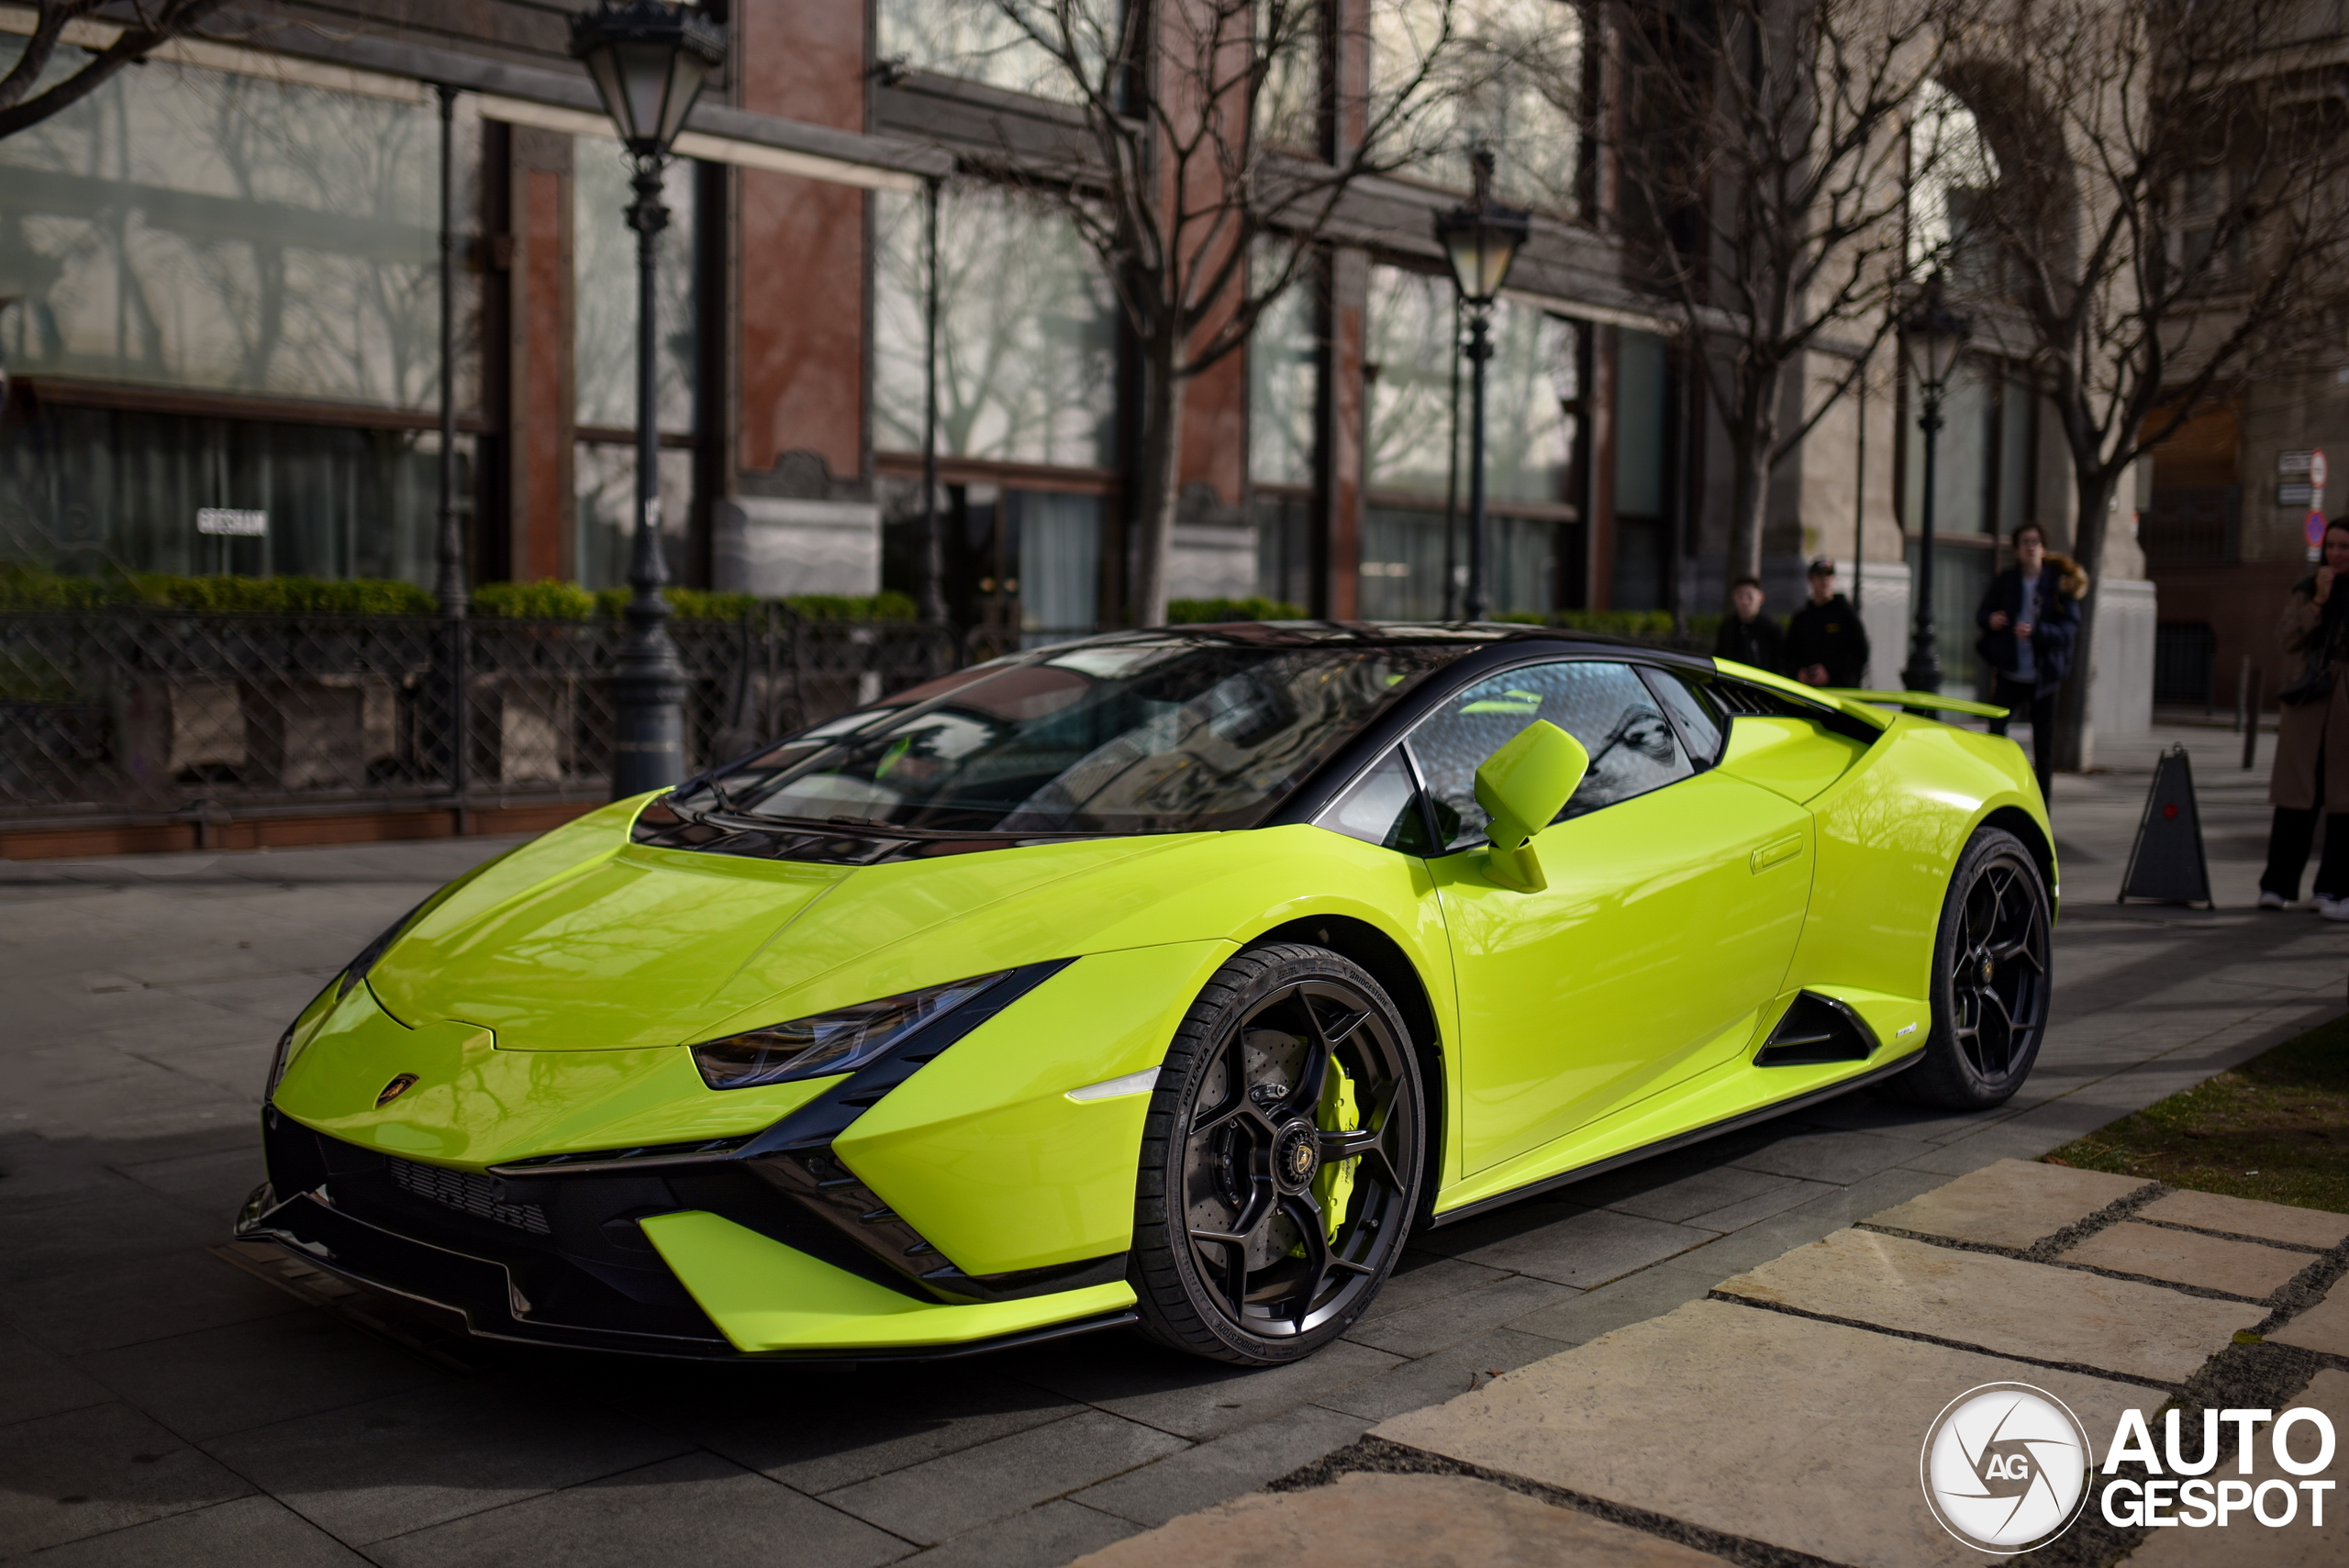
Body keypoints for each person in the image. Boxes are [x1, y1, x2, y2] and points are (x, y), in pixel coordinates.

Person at [2259, 517, 2349, 917]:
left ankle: (2333, 890)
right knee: (2295, 797)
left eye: (2344, 547)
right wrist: (2317, 603)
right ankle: (2277, 885)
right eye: (2331, 546)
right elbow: (2284, 638)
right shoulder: (2307, 590)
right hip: (2308, 702)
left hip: (2345, 707)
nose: (2336, 554)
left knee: (2343, 802)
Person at [1975, 522, 2084, 805]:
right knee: (1996, 738)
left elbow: (2068, 630)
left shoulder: (2059, 584)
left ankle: (2043, 810)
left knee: (2044, 750)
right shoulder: (2007, 580)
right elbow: (1982, 613)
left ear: (2043, 548)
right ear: (2016, 549)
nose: (2030, 546)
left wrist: (2037, 633)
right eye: (2024, 541)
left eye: (2035, 541)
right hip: (2010, 674)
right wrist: (1991, 619)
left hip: (2043, 679)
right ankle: (1996, 799)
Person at [1784, 556, 1870, 687]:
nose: (1824, 581)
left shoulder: (1845, 614)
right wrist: (1798, 672)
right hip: (1807, 692)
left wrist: (1830, 671)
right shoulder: (1802, 618)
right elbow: (1788, 655)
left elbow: (1859, 653)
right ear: (1810, 580)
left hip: (1840, 691)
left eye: (1828, 576)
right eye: (1819, 576)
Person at [1714, 575, 1785, 671]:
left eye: (1750, 597)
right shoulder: (1728, 628)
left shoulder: (1771, 629)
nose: (1744, 601)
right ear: (1733, 597)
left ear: (1761, 598)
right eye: (1740, 596)